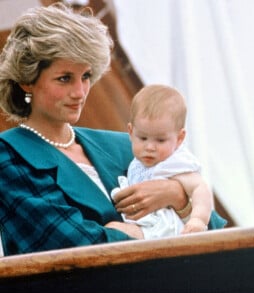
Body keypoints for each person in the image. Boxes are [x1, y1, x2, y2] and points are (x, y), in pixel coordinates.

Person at [0, 3, 201, 256]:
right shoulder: (7, 155)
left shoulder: (122, 145)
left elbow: (212, 227)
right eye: (65, 78)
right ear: (27, 81)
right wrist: (153, 233)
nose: (80, 92)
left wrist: (177, 196)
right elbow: (76, 247)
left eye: (85, 76)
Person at [111, 84, 227, 239]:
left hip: (168, 227)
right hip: (147, 222)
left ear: (179, 138)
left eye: (160, 140)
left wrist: (198, 219)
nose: (150, 147)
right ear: (131, 132)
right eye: (143, 138)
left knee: (113, 230)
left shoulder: (175, 162)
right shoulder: (137, 162)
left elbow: (200, 187)